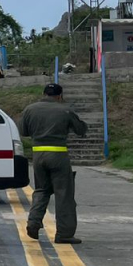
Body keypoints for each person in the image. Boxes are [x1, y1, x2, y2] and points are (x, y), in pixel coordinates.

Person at [21, 83, 88, 244]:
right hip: (58, 155)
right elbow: (81, 130)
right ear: (59, 96)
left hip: (38, 155)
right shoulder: (65, 110)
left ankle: (33, 222)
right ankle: (64, 233)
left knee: (41, 190)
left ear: (43, 93)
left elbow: (24, 131)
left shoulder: (30, 109)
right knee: (63, 194)